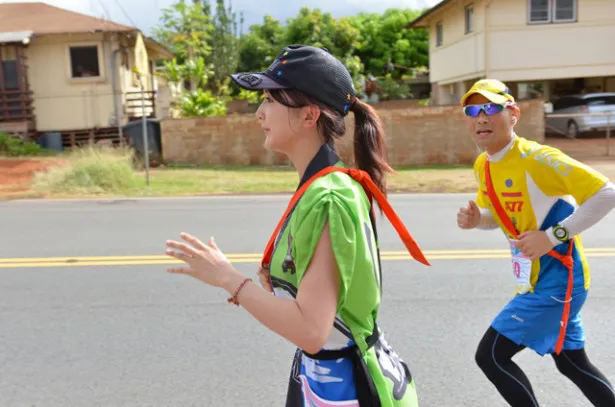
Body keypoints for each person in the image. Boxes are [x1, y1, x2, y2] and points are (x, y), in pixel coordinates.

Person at [164, 44, 431, 407]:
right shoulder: (326, 185)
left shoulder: (329, 197)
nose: (259, 113)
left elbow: (311, 331)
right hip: (328, 379)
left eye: (271, 100)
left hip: (347, 389)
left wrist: (228, 278)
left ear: (309, 116)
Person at [456, 78, 615, 406]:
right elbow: (499, 217)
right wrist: (478, 220)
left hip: (558, 282)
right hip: (535, 280)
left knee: (492, 356)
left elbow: (606, 193)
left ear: (512, 114)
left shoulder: (537, 158)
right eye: (473, 109)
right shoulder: (484, 164)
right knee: (571, 362)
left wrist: (553, 236)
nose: (481, 117)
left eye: (491, 107)